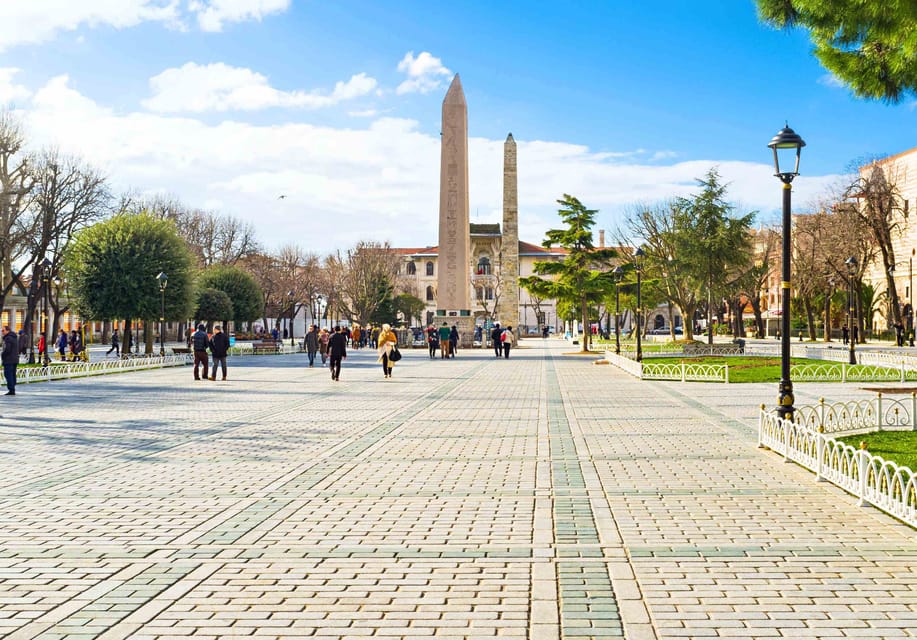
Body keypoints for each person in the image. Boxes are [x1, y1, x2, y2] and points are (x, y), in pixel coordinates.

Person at [2, 325, 18, 395]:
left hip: (9, 359)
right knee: (12, 374)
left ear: (7, 331)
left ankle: (11, 389)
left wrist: (3, 354)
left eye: (3, 331)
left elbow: (7, 349)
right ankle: (12, 387)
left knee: (8, 374)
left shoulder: (8, 338)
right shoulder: (14, 338)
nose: (2, 332)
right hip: (14, 359)